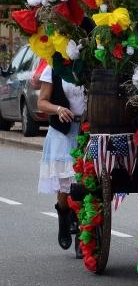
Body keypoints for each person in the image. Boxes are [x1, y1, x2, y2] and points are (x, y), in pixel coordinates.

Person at [37, 63, 87, 256]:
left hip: (87, 128)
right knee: (65, 186)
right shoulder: (54, 67)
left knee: (86, 183)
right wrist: (58, 109)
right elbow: (42, 102)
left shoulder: (89, 64)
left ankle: (84, 236)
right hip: (63, 133)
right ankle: (64, 217)